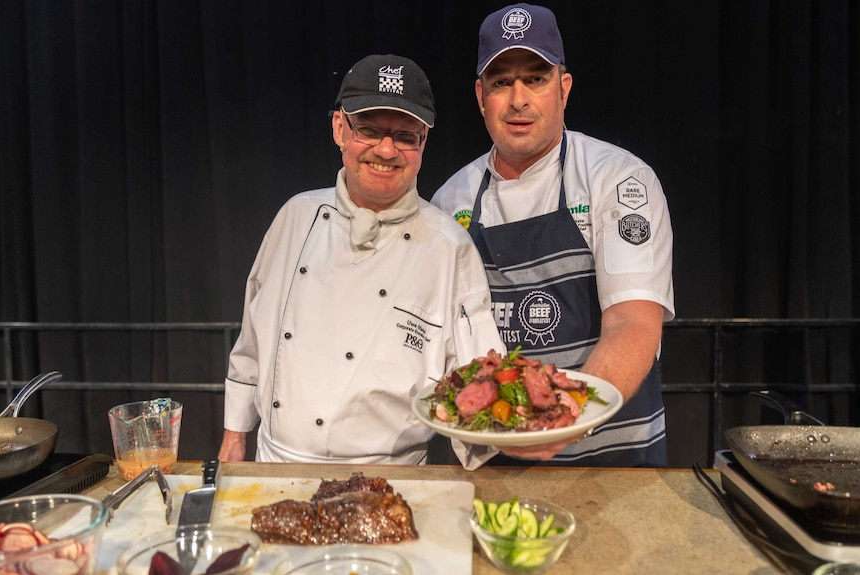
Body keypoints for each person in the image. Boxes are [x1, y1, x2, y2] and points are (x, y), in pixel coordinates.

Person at [217, 54, 503, 470]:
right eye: (369, 130)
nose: (386, 150)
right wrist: (233, 435)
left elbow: (481, 382)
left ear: (424, 142)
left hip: (393, 481)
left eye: (406, 136)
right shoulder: (296, 217)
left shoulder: (449, 248)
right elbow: (253, 340)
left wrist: (499, 436)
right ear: (339, 128)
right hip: (278, 467)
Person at [431, 4, 675, 467]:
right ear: (480, 96)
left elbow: (633, 323)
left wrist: (569, 415)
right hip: (498, 464)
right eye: (501, 82)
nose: (518, 99)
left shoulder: (619, 180)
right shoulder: (449, 202)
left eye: (535, 79)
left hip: (615, 466)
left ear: (563, 88)